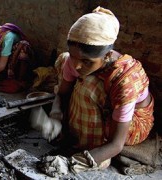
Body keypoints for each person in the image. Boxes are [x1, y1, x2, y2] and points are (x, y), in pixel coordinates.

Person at [37, 6, 155, 178]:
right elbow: (62, 95)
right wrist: (56, 116)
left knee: (88, 87)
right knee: (64, 61)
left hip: (134, 121)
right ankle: (76, 132)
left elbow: (116, 144)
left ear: (107, 56)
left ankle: (91, 148)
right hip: (109, 107)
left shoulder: (126, 80)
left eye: (86, 61)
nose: (77, 65)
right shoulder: (74, 61)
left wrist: (72, 163)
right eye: (74, 56)